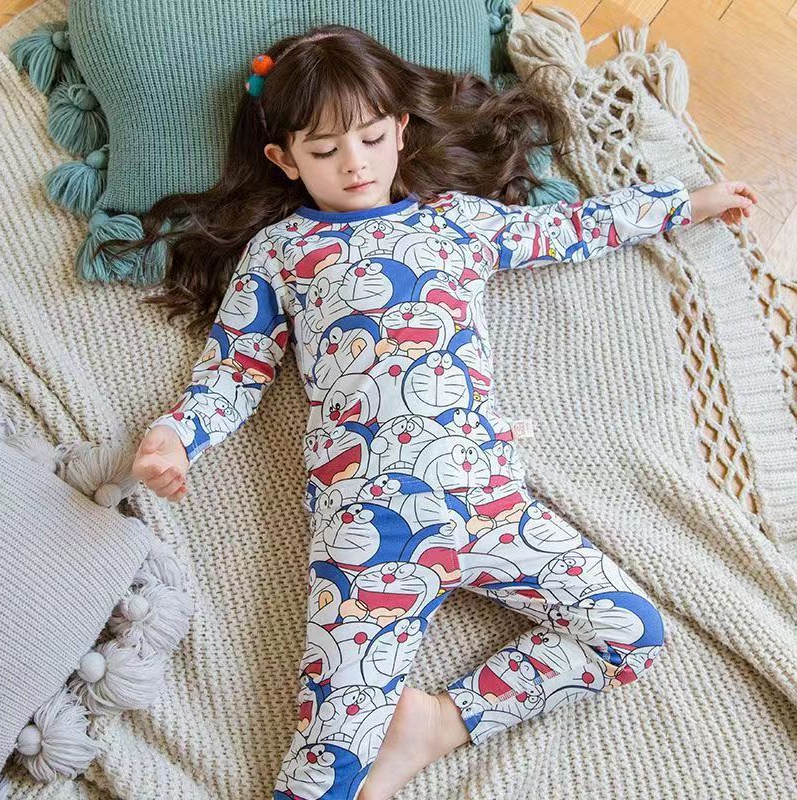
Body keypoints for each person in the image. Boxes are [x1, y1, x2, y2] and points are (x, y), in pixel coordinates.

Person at [121, 24, 758, 800]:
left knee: (633, 632)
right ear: (285, 160)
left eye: (369, 139)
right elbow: (234, 372)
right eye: (324, 151)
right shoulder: (282, 253)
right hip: (371, 536)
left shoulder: (454, 221)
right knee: (323, 769)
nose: (354, 163)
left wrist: (685, 203)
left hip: (491, 506)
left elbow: (569, 229)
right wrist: (174, 436)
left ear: (400, 130)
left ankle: (435, 724)